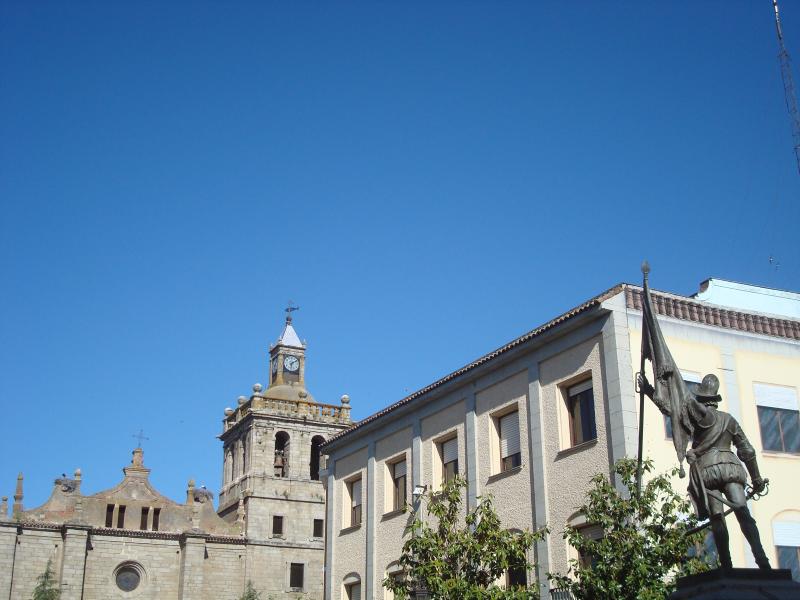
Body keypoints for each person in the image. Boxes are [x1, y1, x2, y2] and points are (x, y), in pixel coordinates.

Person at [638, 372, 771, 570]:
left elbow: (670, 409)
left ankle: (726, 564)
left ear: (701, 398)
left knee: (717, 518)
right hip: (730, 468)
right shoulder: (729, 420)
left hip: (707, 472)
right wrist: (757, 478)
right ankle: (762, 561)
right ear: (716, 400)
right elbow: (748, 451)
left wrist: (649, 390)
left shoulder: (697, 419)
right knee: (743, 513)